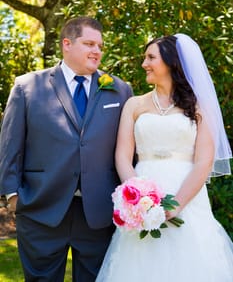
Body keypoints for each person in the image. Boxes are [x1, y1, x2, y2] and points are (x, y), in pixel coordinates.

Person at [0, 16, 133, 281]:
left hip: (98, 213)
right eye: (89, 43)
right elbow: (10, 147)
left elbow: (129, 150)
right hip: (41, 207)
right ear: (67, 44)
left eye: (100, 45)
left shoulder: (120, 90)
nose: (97, 51)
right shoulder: (27, 87)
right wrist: (13, 197)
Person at [96, 33, 233, 282]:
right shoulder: (134, 105)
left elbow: (204, 160)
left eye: (151, 57)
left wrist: (177, 204)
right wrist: (137, 197)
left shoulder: (200, 107)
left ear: (171, 62)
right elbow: (123, 155)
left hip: (187, 194)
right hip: (142, 190)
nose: (144, 64)